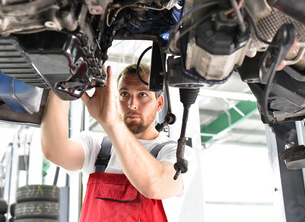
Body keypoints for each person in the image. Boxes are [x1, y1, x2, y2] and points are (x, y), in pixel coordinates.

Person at [40, 63, 195, 222]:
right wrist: (62, 86)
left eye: (142, 94)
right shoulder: (97, 147)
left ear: (159, 103)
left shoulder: (177, 153)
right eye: (124, 94)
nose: (131, 104)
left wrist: (112, 123)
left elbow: (155, 185)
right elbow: (55, 151)